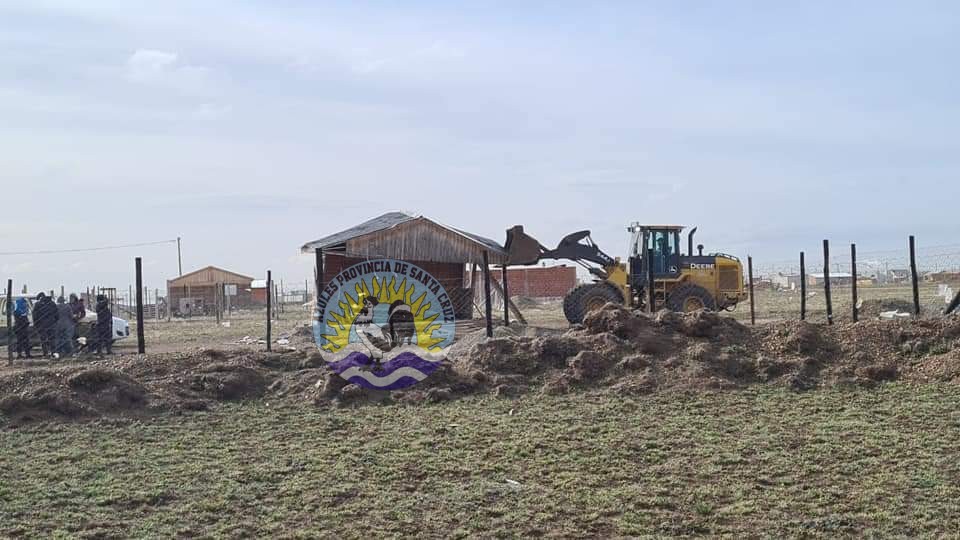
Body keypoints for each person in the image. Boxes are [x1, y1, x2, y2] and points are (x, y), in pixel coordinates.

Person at [33, 293, 58, 357]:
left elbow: (35, 316)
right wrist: (54, 322)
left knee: (43, 340)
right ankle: (53, 352)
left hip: (41, 325)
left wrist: (36, 324)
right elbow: (57, 315)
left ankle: (45, 353)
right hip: (51, 325)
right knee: (52, 339)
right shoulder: (52, 304)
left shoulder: (38, 304)